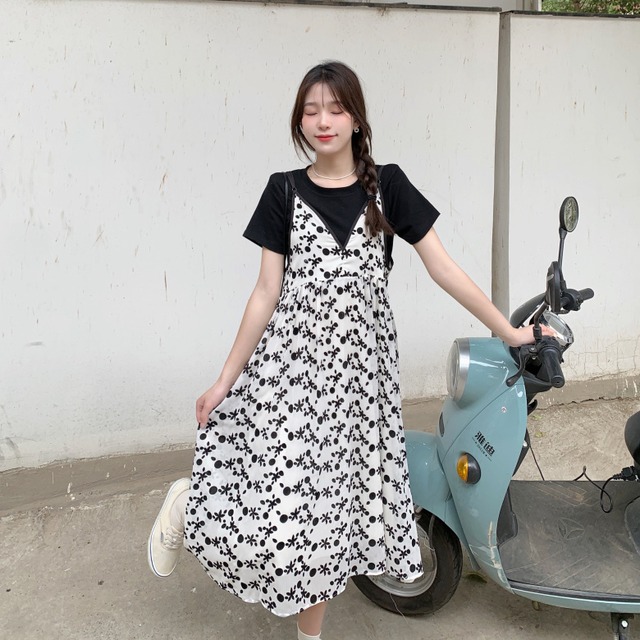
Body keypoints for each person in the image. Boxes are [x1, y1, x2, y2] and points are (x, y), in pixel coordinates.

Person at [147, 60, 545, 640]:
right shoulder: (283, 190)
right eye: (311, 110)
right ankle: (191, 502)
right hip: (291, 371)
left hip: (360, 382)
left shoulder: (389, 186)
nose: (323, 121)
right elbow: (265, 293)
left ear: (357, 118)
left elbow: (443, 268)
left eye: (336, 109)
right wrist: (224, 379)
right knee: (279, 509)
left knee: (329, 526)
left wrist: (509, 332)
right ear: (299, 121)